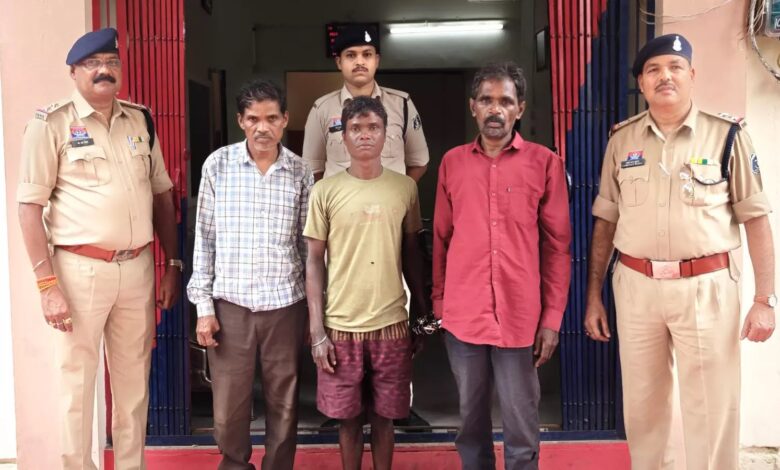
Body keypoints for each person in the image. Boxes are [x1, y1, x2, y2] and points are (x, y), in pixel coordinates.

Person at [584, 34, 775, 470]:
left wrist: (764, 300)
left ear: (692, 74)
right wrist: (594, 294)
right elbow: (606, 221)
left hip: (706, 288)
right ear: (641, 83)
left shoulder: (727, 136)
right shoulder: (622, 140)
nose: (664, 76)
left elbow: (756, 219)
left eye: (674, 67)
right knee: (643, 405)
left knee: (711, 405)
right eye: (653, 70)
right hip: (637, 287)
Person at [16, 28, 181, 470]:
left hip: (137, 268)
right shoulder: (51, 124)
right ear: (74, 72)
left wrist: (172, 263)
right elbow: (29, 208)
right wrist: (47, 284)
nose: (103, 70)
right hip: (79, 271)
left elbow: (162, 195)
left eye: (111, 62)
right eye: (92, 63)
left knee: (133, 388)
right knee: (77, 386)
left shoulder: (140, 120)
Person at [431, 62, 571, 470]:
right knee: (470, 423)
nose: (496, 109)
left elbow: (558, 247)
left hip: (519, 316)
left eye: (505, 101)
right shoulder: (452, 163)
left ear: (520, 109)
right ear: (472, 106)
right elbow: (440, 239)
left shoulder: (544, 163)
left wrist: (552, 319)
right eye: (486, 100)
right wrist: (440, 304)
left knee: (522, 422)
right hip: (464, 314)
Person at [187, 79, 313, 470]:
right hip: (231, 306)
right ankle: (235, 465)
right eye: (254, 118)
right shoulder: (218, 165)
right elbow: (204, 239)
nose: (263, 127)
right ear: (241, 120)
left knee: (284, 404)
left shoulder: (300, 172)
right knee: (228, 408)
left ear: (285, 120)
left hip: (285, 304)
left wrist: (314, 312)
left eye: (271, 118)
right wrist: (203, 307)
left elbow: (307, 246)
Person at [304, 96, 428, 470]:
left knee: (386, 419)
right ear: (343, 137)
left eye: (373, 127)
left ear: (386, 134)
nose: (364, 135)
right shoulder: (325, 191)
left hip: (392, 323)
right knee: (348, 420)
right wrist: (317, 331)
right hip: (341, 326)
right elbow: (313, 261)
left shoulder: (404, 188)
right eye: (355, 128)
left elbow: (412, 254)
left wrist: (421, 312)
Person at [302, 24, 429, 182]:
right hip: (341, 198)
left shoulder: (401, 104)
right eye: (351, 55)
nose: (359, 62)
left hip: (389, 198)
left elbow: (419, 163)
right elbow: (312, 170)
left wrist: (400, 192)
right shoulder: (322, 109)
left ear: (377, 60)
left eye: (367, 54)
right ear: (339, 62)